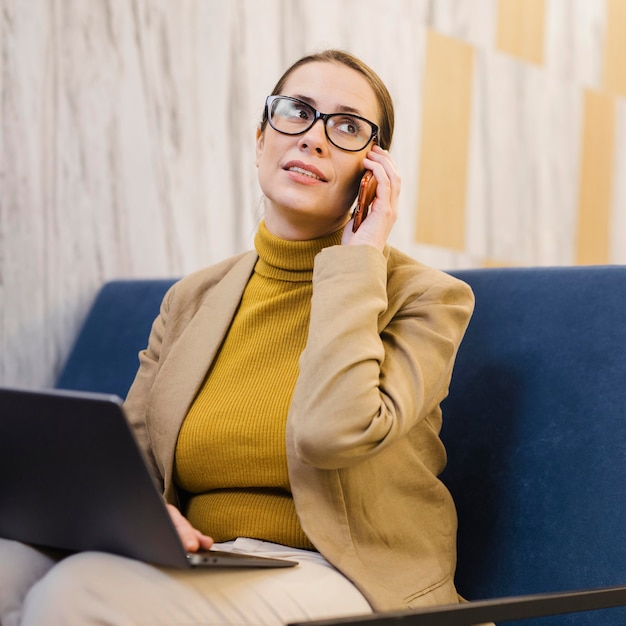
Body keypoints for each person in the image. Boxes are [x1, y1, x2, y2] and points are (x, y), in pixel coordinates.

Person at [0, 49, 475, 626]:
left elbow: (331, 432)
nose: (314, 138)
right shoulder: (193, 297)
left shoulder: (427, 298)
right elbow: (134, 460)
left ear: (373, 175)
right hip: (208, 559)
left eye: (347, 127)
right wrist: (143, 514)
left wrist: (358, 260)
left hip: (347, 577)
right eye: (296, 112)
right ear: (260, 141)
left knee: (80, 593)